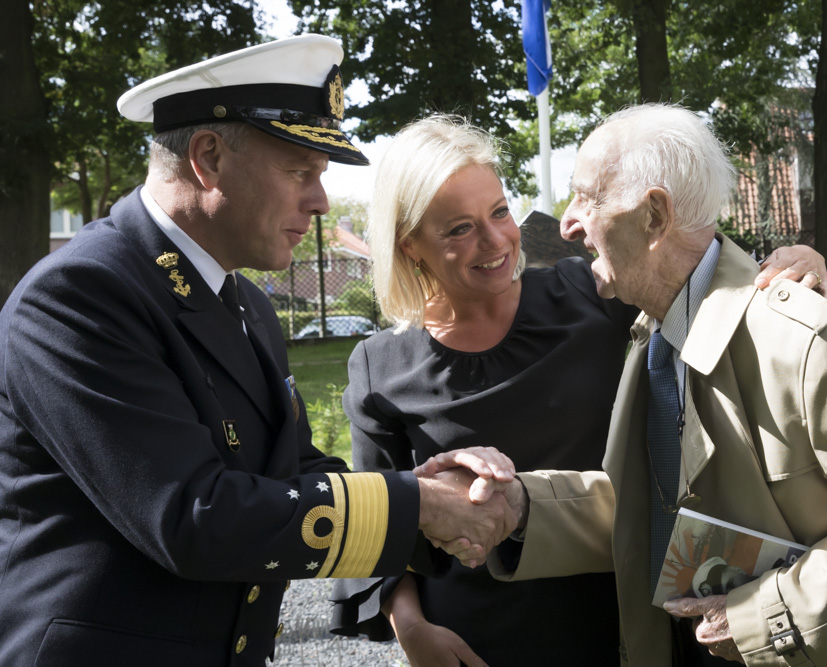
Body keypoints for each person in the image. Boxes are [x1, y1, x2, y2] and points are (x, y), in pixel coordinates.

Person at [0, 35, 516, 666]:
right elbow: (194, 516)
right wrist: (419, 508)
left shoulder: (244, 303)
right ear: (209, 157)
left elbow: (293, 473)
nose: (321, 202)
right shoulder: (79, 294)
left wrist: (427, 490)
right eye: (300, 171)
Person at [452, 104, 827, 666]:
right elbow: (657, 510)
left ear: (655, 215)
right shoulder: (653, 336)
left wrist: (762, 619)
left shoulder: (799, 339)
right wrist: (522, 507)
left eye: (588, 197)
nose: (567, 223)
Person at [327, 114, 827, 667]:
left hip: (621, 615)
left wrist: (797, 262)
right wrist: (413, 629)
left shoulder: (588, 293)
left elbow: (701, 281)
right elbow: (377, 522)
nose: (495, 240)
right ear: (410, 246)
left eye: (499, 212)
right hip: (477, 637)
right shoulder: (380, 366)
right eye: (459, 229)